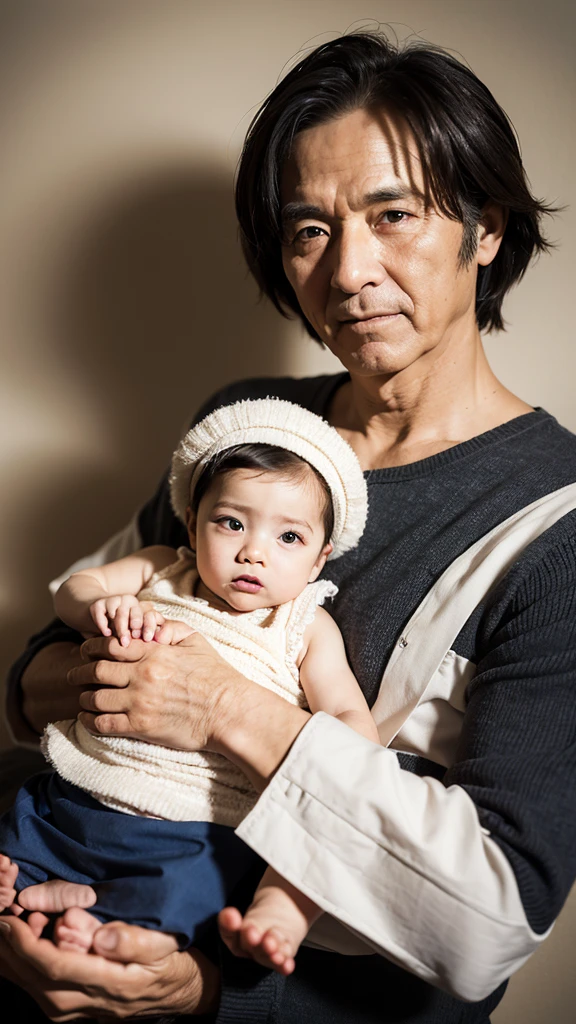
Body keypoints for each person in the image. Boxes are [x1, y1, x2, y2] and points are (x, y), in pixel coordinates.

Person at [2, 29, 576, 1024]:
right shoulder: (250, 426)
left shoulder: (553, 524)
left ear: (484, 228)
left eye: (392, 215)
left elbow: (491, 919)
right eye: (310, 230)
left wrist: (223, 703)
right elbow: (38, 673)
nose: (349, 270)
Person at [0, 398, 376, 973]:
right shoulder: (159, 568)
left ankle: (94, 914)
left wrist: (350, 753)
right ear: (193, 523)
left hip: (195, 825)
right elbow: (72, 589)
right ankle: (39, 887)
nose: (253, 551)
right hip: (84, 792)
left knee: (200, 886)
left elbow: (349, 715)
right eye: (231, 523)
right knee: (26, 818)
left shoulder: (305, 625)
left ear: (321, 559)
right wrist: (103, 605)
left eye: (289, 538)